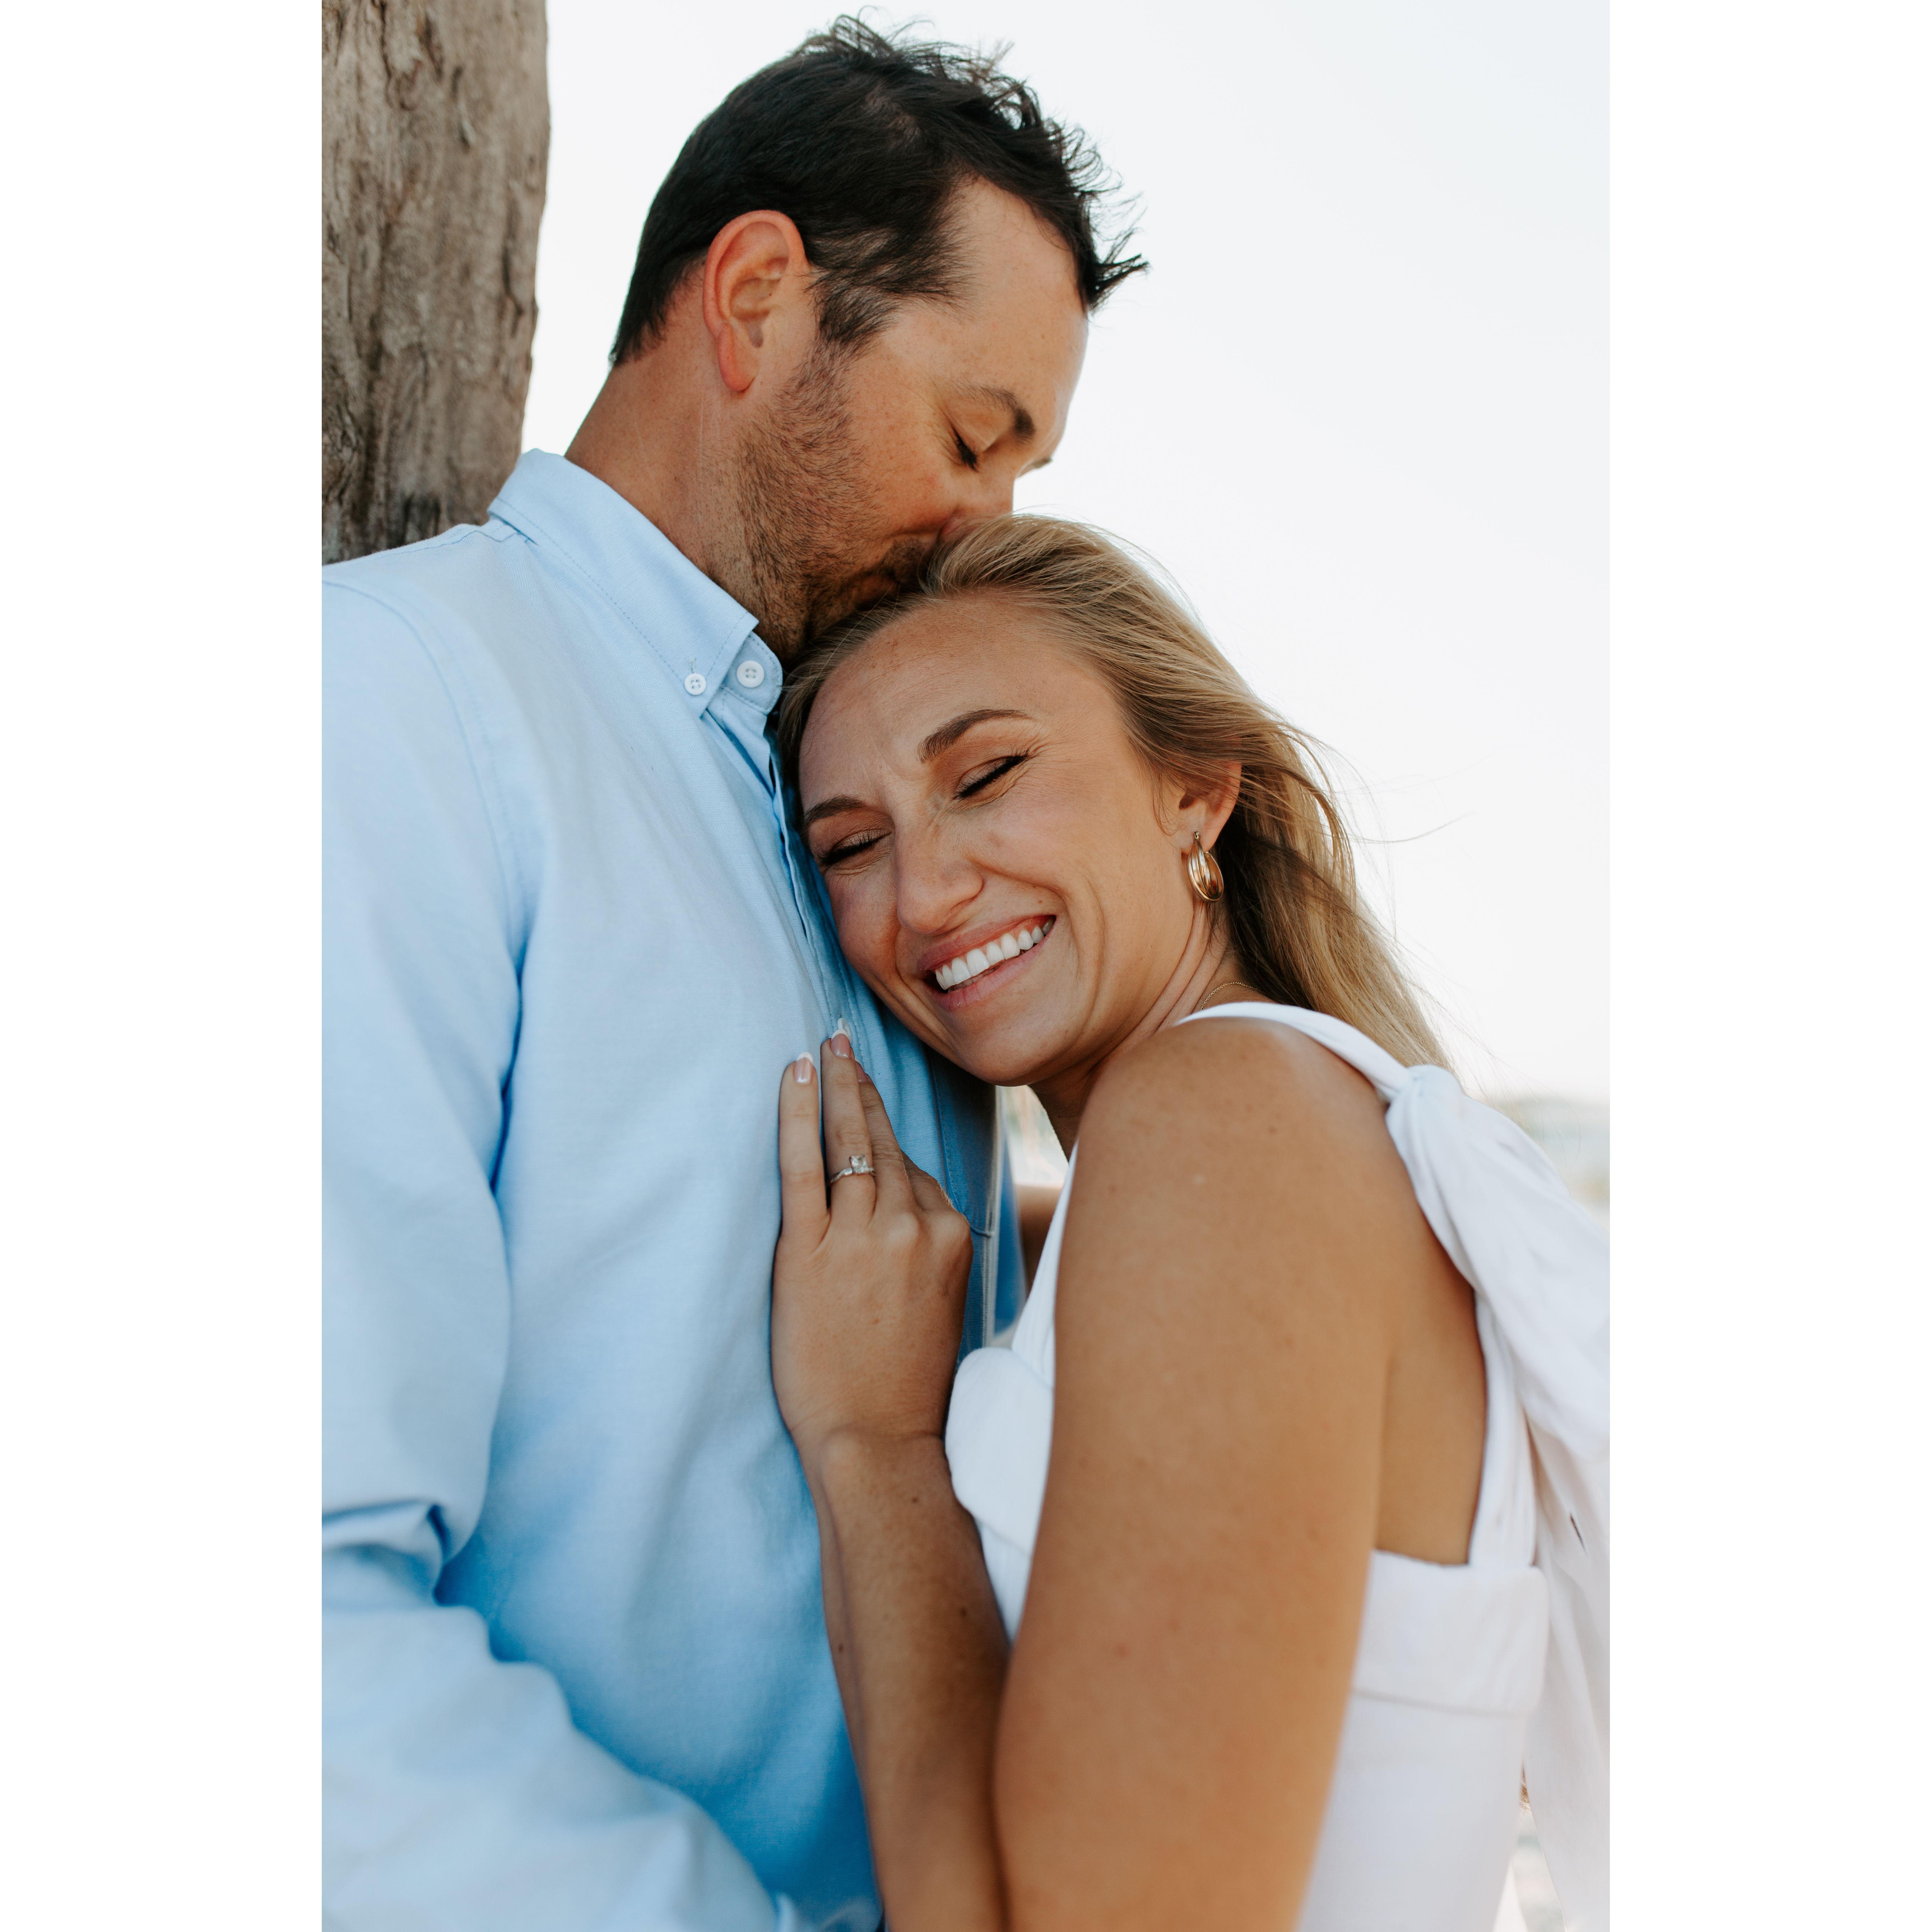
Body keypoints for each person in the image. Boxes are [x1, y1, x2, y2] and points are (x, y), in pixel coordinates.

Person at [322, 24, 1142, 1930]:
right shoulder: (393, 709)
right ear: (758, 297)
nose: (988, 530)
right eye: (971, 438)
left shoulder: (875, 825)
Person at [768, 516, 1610, 1932]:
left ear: (1196, 793)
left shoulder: (1219, 1117)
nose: (923, 893)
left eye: (988, 775)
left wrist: (873, 1447)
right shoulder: (1274, 1145)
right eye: (851, 845)